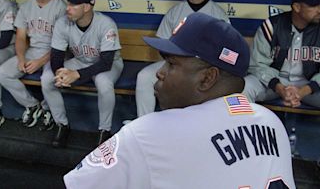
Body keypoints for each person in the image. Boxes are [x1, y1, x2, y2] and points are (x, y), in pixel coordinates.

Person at [63, 13, 295, 188]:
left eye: (172, 64)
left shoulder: (149, 132)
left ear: (207, 78)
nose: (160, 72)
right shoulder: (271, 122)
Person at [242, 0, 320, 188]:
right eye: (314, 5)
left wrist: (303, 91)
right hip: (274, 83)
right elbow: (257, 65)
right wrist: (279, 87)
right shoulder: (272, 25)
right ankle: (245, 154)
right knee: (242, 89)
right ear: (297, 7)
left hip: (311, 86)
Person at [135, 0, 230, 118]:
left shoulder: (218, 14)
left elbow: (226, 48)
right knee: (144, 77)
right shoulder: (175, 12)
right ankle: (144, 124)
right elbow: (162, 41)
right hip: (175, 62)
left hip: (203, 67)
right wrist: (173, 61)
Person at [41, 0, 123, 148]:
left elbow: (106, 62)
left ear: (86, 7)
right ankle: (62, 124)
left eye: (73, 5)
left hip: (108, 64)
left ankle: (104, 130)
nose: (68, 8)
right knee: (47, 78)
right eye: (68, 4)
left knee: (103, 83)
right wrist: (60, 73)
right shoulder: (62, 23)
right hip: (81, 60)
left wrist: (76, 74)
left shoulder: (106, 24)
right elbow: (56, 55)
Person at [0, 0, 66, 131]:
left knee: (48, 78)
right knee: (2, 73)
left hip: (56, 53)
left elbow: (62, 44)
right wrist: (21, 58)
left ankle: (49, 111)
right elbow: (20, 37)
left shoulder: (61, 7)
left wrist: (40, 62)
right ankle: (33, 105)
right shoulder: (27, 7)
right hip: (33, 50)